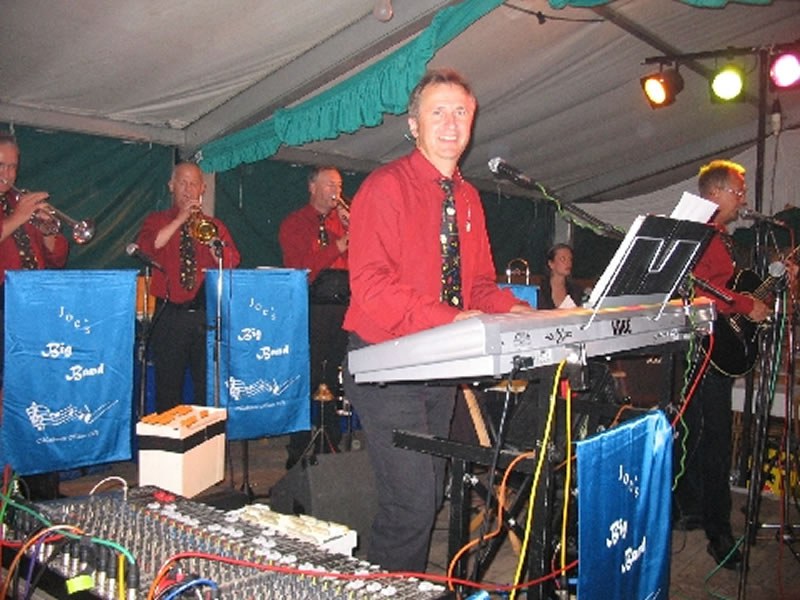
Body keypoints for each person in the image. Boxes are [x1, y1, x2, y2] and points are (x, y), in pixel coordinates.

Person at [341, 68, 534, 573]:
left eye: (461, 112)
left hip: (440, 362)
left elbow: (480, 285)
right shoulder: (385, 187)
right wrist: (454, 318)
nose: (451, 123)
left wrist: (520, 310)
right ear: (414, 125)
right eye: (438, 112)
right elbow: (372, 287)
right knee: (412, 504)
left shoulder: (467, 198)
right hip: (386, 363)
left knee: (427, 494)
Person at [673, 159, 770, 570]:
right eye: (738, 191)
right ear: (714, 193)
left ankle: (692, 509)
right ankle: (719, 533)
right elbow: (700, 291)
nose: (743, 198)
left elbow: (727, 289)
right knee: (713, 439)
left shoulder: (723, 240)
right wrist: (747, 306)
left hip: (717, 346)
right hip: (701, 349)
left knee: (700, 436)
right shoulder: (698, 235)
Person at [136, 162, 240, 414]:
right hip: (169, 315)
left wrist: (213, 241)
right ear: (171, 186)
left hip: (205, 316)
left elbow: (231, 261)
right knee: (168, 387)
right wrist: (181, 218)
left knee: (206, 387)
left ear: (202, 189)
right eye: (182, 182)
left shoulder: (214, 225)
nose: (188, 189)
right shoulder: (157, 220)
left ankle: (203, 438)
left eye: (194, 184)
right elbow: (150, 247)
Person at [0, 131, 70, 500]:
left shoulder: (19, 203)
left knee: (41, 395)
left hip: (35, 306)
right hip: (4, 305)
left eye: (13, 166)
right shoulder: (17, 209)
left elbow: (57, 257)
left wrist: (47, 231)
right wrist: (19, 216)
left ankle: (42, 488)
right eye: (1, 165)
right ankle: (8, 489)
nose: (8, 174)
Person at [278, 165, 349, 468]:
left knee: (333, 375)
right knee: (308, 376)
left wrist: (354, 230)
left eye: (339, 185)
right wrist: (338, 246)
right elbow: (302, 268)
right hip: (310, 308)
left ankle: (330, 440)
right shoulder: (295, 223)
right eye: (330, 184)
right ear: (312, 187)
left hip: (343, 308)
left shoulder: (344, 222)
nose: (336, 191)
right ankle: (299, 444)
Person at [537, 243, 584, 309]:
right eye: (563, 259)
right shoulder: (540, 289)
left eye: (570, 259)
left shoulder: (576, 290)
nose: (568, 263)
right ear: (551, 263)